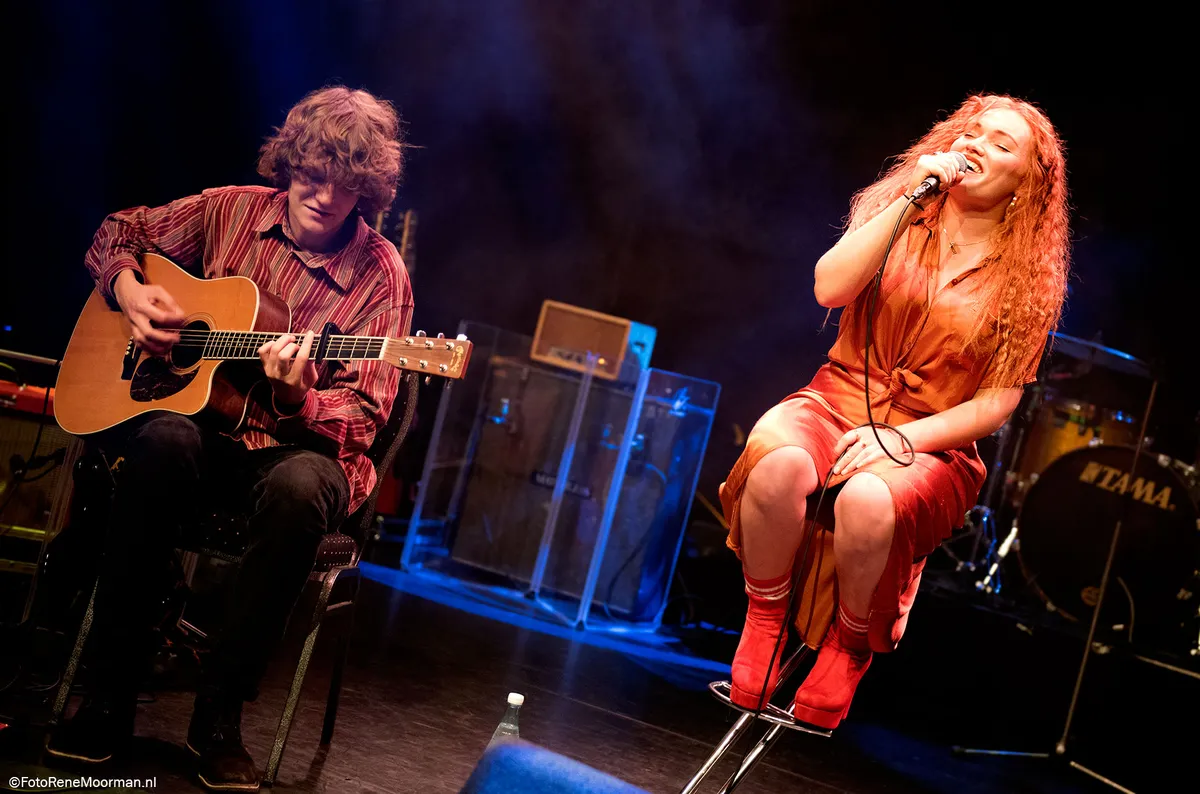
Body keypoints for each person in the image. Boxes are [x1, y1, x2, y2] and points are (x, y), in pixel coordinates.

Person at [47, 86, 414, 791]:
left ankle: (219, 715)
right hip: (200, 438)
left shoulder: (381, 273)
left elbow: (366, 415)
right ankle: (108, 692)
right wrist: (130, 293)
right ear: (291, 161)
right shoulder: (229, 210)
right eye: (313, 174)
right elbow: (118, 231)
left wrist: (297, 397)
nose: (324, 196)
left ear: (366, 189)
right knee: (162, 443)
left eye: (344, 184)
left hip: (297, 452)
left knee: (302, 487)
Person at [720, 94, 1069, 729]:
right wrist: (911, 196)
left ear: (1025, 184)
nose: (976, 146)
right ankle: (765, 619)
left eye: (1001, 145)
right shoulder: (900, 209)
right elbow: (829, 288)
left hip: (931, 436)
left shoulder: (1028, 280)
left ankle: (849, 645)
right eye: (971, 133)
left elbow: (997, 404)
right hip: (838, 396)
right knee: (775, 457)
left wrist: (901, 439)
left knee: (868, 499)